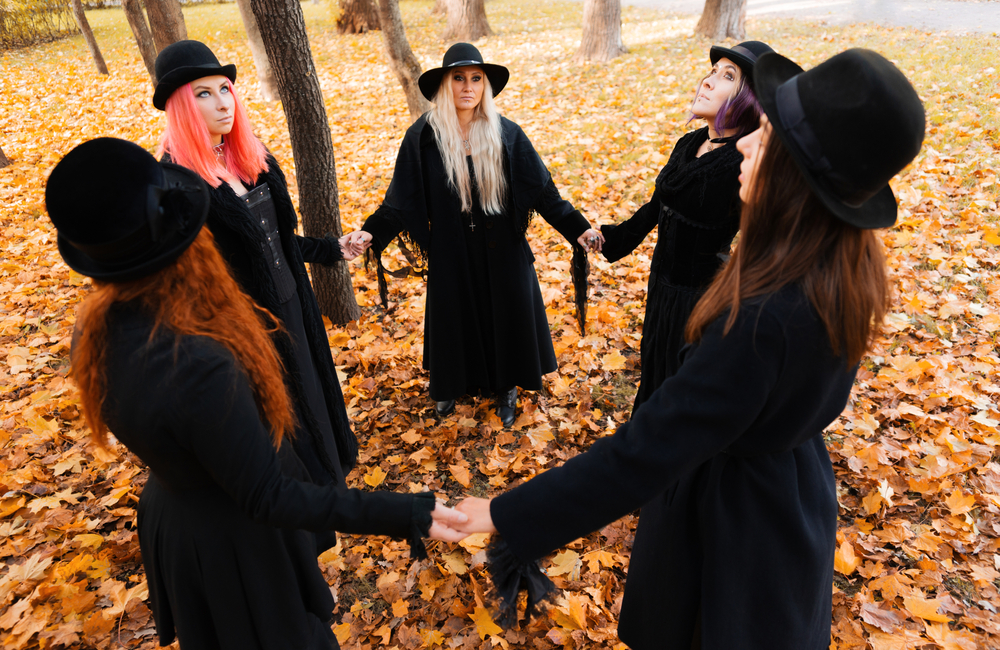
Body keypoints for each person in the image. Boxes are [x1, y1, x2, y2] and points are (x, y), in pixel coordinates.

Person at [455, 49, 926, 650]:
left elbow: (644, 450)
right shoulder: (843, 266)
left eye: (768, 138)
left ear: (797, 177)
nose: (750, 147)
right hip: (792, 499)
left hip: (736, 525)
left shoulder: (761, 317)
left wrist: (503, 514)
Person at [46, 137, 468, 650]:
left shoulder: (97, 328)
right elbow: (268, 495)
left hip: (179, 521)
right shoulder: (194, 362)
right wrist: (407, 511)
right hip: (234, 546)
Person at [342, 43, 604, 427]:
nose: (468, 87)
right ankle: (452, 383)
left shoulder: (506, 134)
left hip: (504, 251)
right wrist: (370, 233)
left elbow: (543, 193)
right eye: (459, 78)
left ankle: (507, 386)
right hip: (452, 250)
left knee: (506, 313)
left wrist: (579, 229)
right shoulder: (423, 138)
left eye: (476, 79)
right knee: (455, 316)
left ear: (486, 86)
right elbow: (401, 201)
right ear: (445, 85)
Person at [152, 41, 359, 520]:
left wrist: (331, 249)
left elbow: (278, 242)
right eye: (204, 94)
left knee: (314, 397)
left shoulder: (249, 154)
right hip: (247, 329)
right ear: (181, 105)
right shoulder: (175, 183)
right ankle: (305, 514)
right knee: (280, 419)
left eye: (225, 89)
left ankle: (332, 482)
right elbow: (184, 284)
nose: (223, 102)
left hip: (295, 307)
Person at [599, 40, 773, 414]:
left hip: (703, 300)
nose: (708, 81)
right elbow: (659, 205)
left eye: (728, 76)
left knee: (685, 392)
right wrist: (610, 239)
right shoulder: (689, 142)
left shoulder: (742, 162)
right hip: (661, 288)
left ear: (749, 99)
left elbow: (765, 237)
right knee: (655, 371)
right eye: (712, 72)